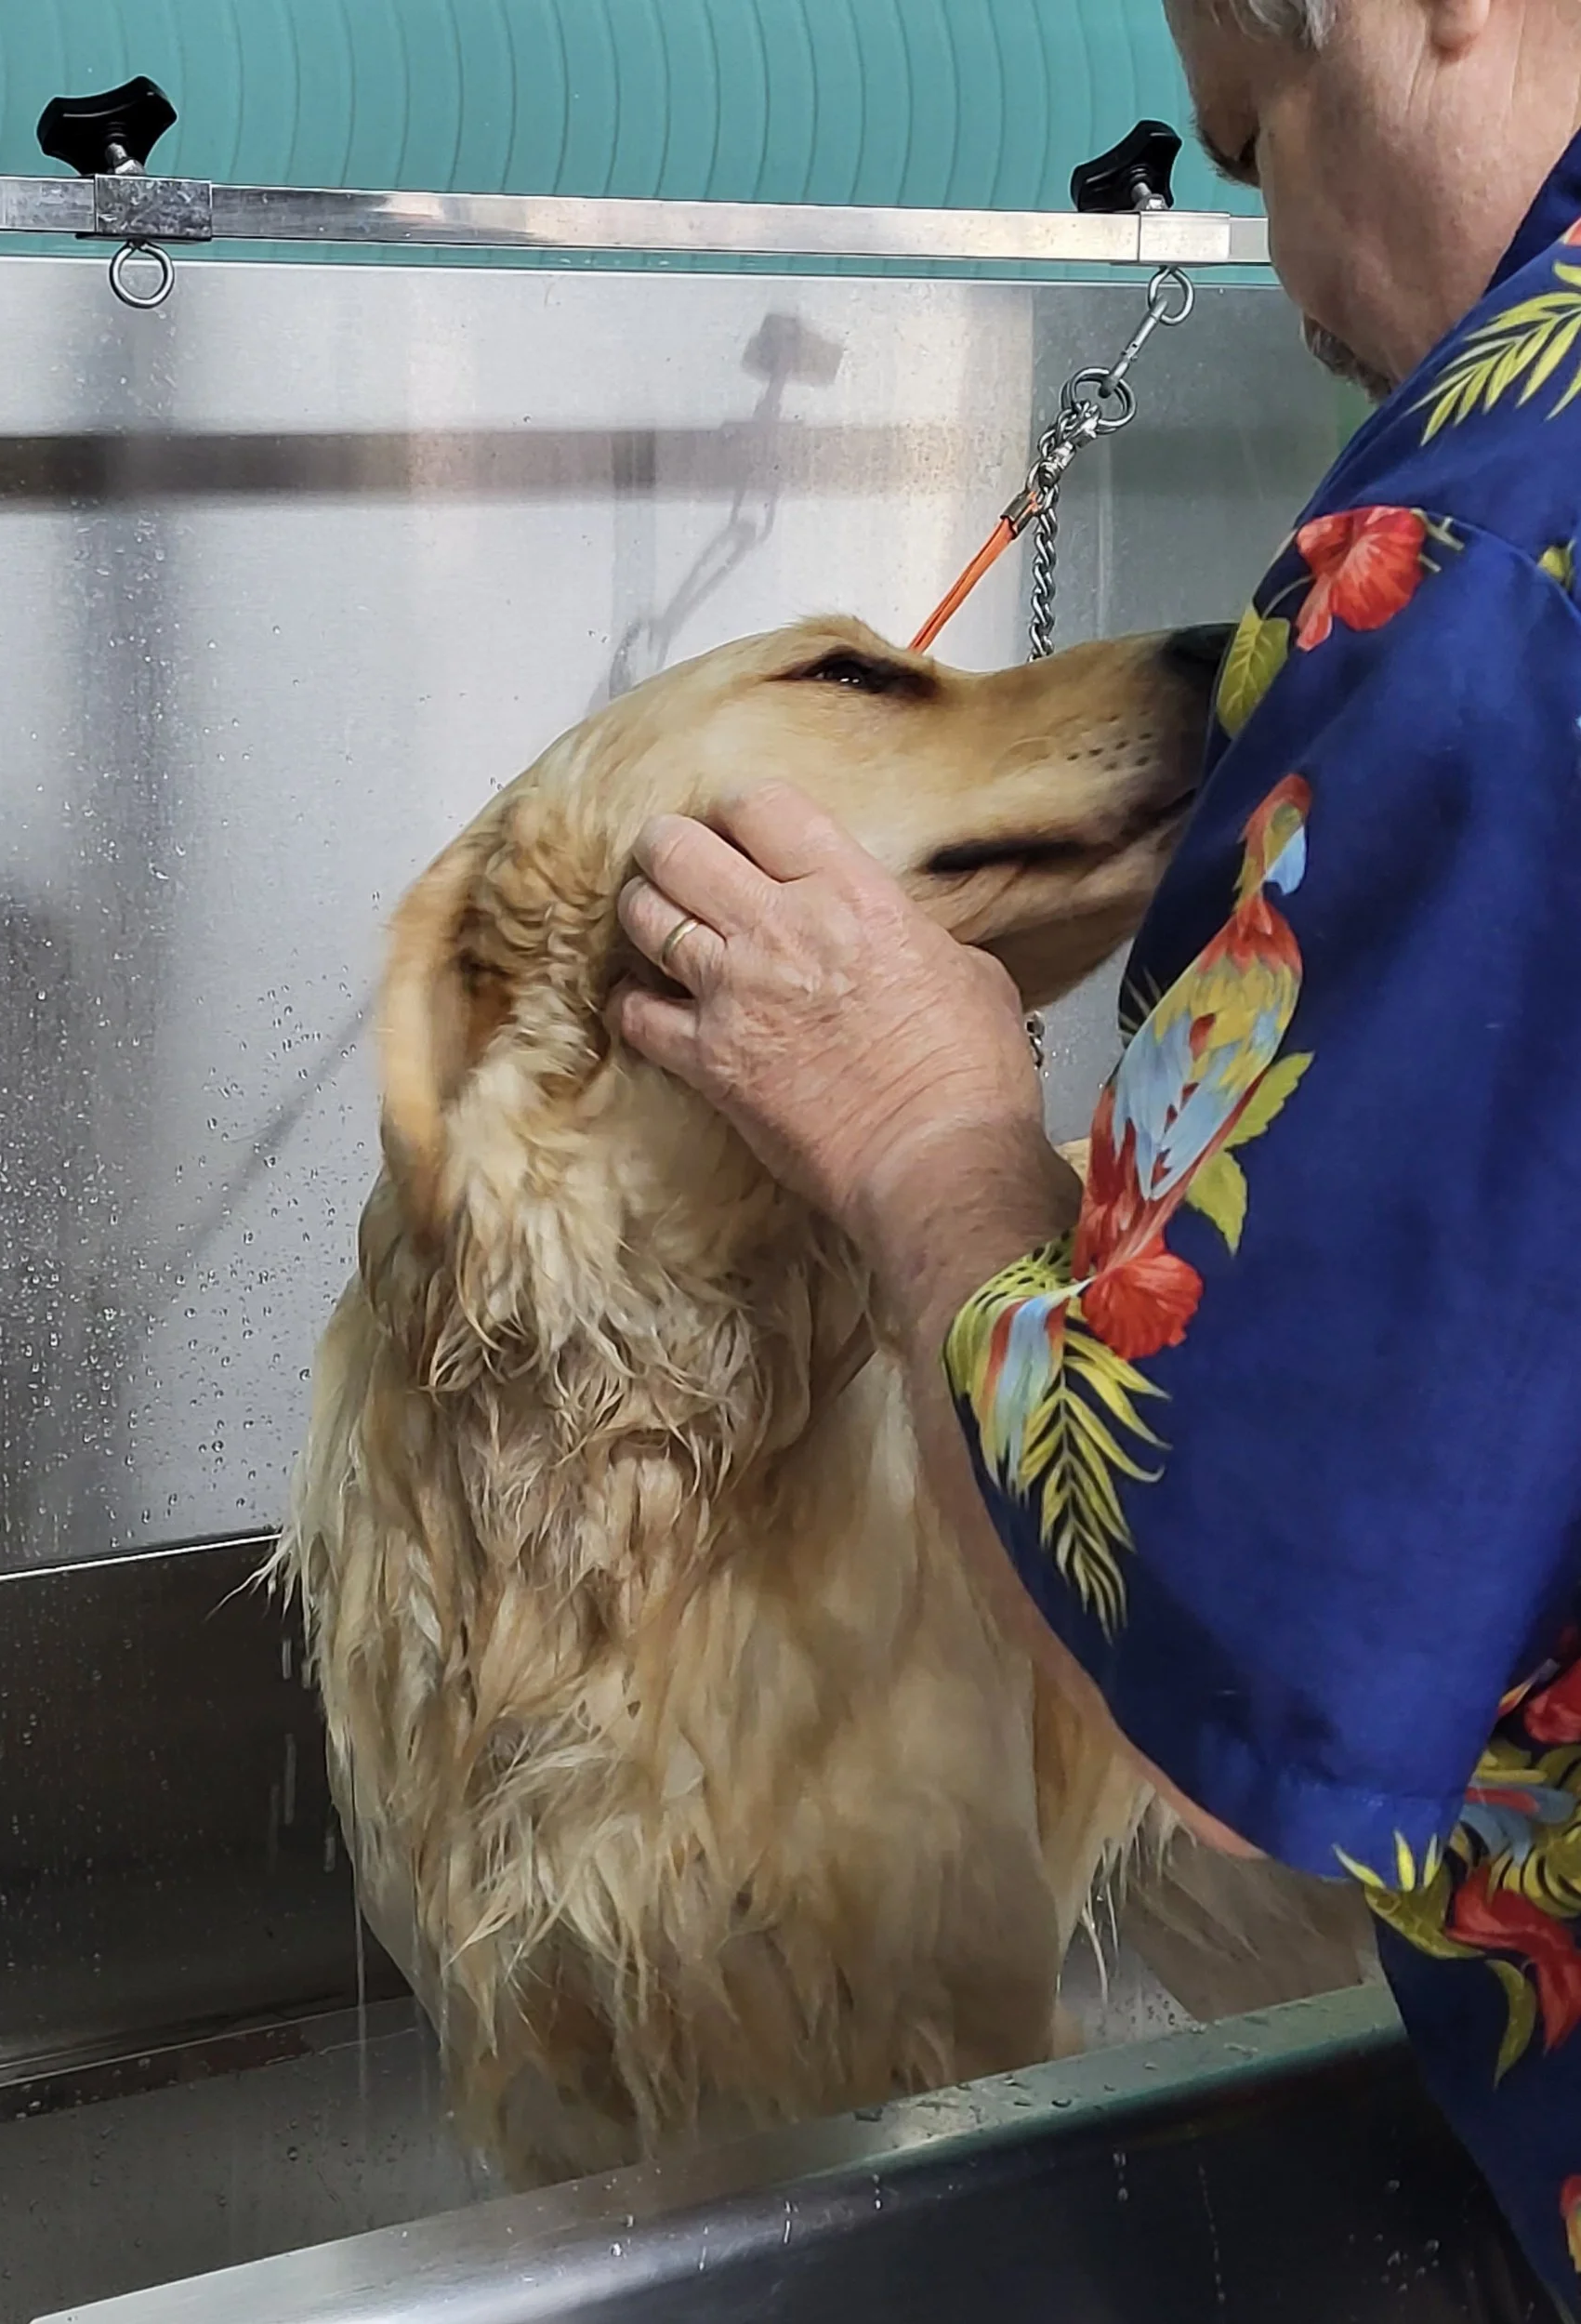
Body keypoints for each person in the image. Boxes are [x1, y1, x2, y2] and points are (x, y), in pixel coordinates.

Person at [610, 0, 1581, 2305]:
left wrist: (926, 1131)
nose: (1280, 261)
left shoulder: (1486, 561)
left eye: (1253, 139)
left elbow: (1240, 1630)